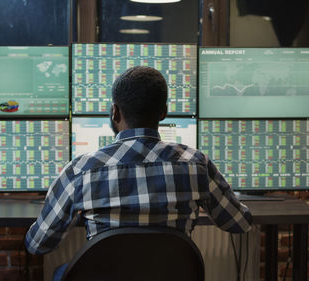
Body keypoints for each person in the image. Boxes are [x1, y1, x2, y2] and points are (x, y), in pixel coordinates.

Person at [25, 66, 252, 255]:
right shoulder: (197, 165)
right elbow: (239, 223)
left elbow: (37, 244)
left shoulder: (80, 171)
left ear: (114, 112)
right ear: (163, 113)